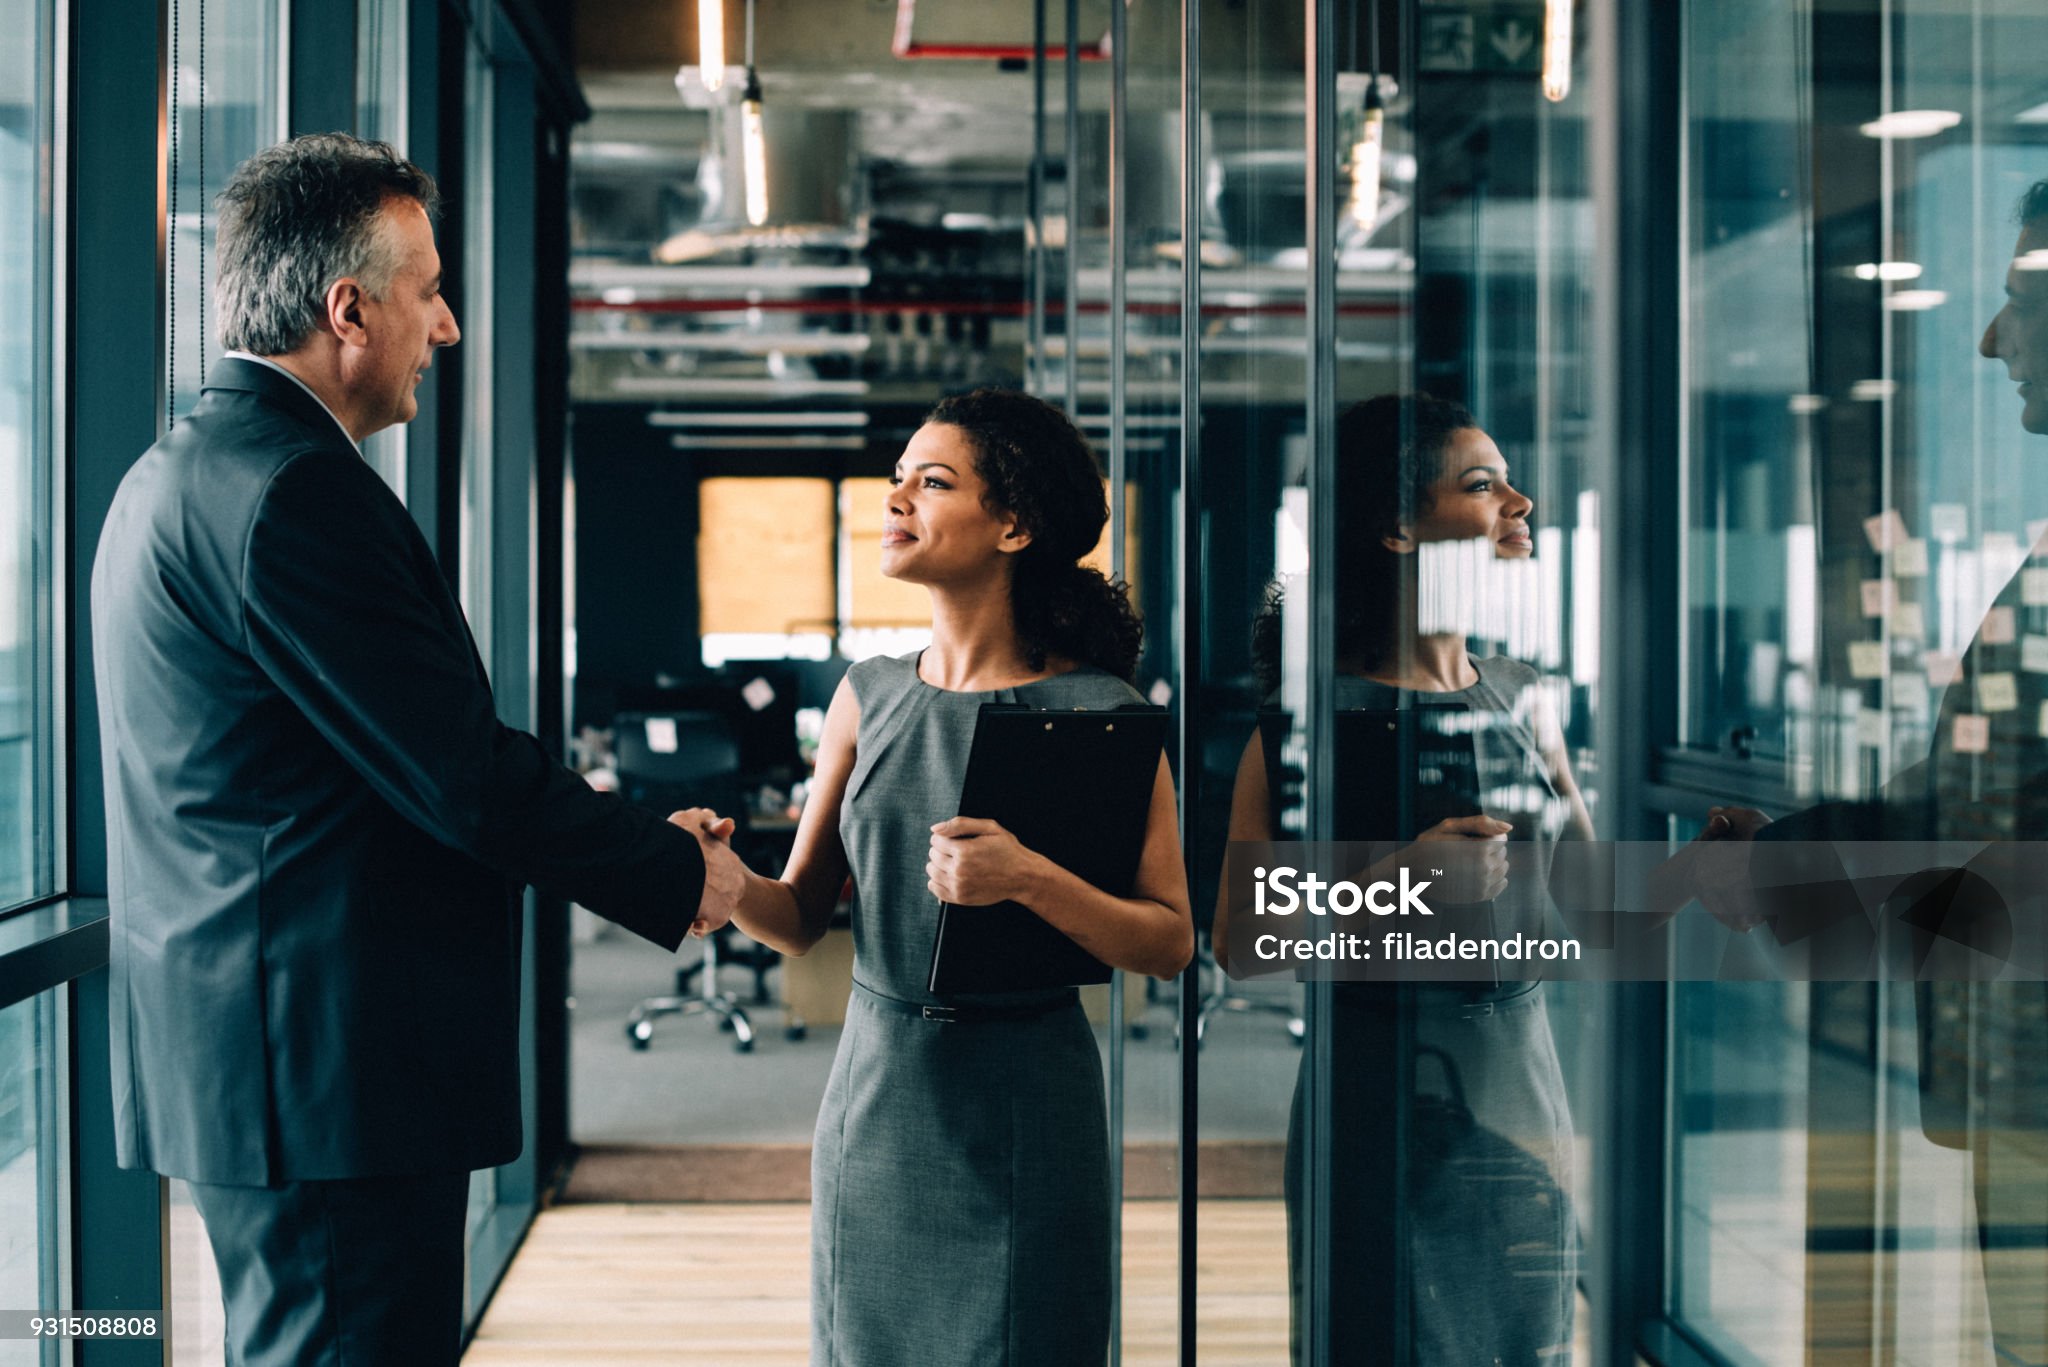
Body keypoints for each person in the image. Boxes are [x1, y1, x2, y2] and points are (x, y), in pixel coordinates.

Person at [90, 133, 744, 1367]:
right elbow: (454, 771)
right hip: (325, 1073)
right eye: (429, 291)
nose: (445, 327)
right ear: (348, 309)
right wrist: (667, 866)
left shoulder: (174, 476)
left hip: (267, 1058)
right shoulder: (294, 493)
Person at [718, 387, 1193, 1366]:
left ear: (1012, 523)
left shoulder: (1098, 709)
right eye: (897, 479)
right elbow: (798, 915)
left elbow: (1168, 938)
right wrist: (718, 876)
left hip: (1031, 1099)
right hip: (878, 1100)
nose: (894, 499)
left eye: (930, 482)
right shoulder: (868, 691)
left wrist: (1027, 878)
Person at [1215, 394, 1586, 1365]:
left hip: (1514, 1081)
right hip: (1369, 1090)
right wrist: (1402, 879)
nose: (1519, 500)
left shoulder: (1521, 697)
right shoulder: (1301, 725)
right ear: (1392, 527)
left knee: (1521, 1340)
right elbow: (1242, 944)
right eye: (1478, 483)